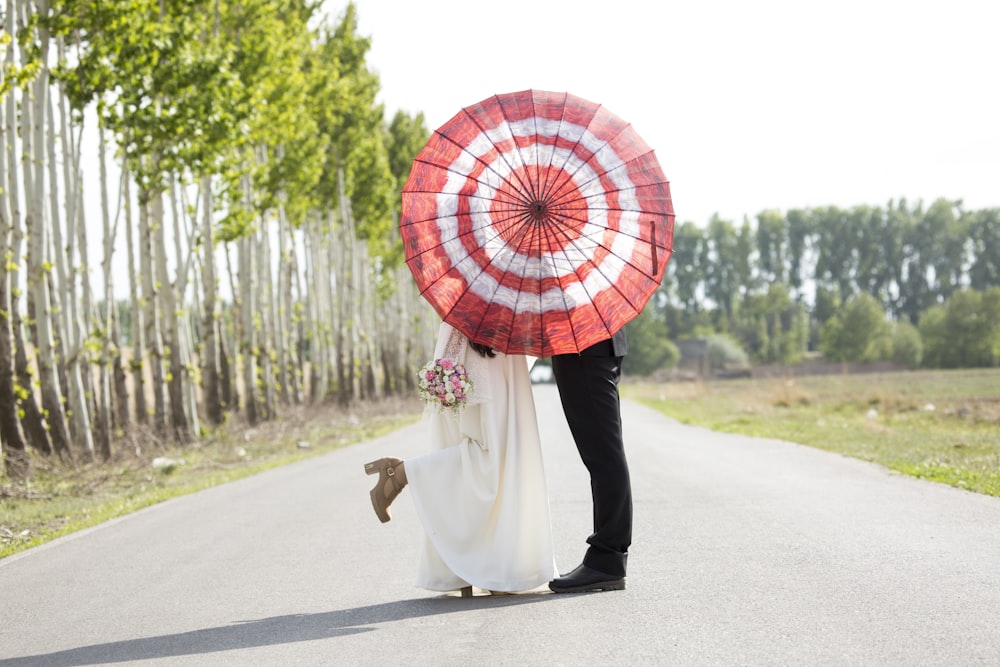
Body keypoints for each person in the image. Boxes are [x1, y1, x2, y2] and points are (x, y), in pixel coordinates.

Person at [364, 321, 557, 595]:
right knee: (491, 459)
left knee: (503, 463)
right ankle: (402, 473)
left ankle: (491, 566)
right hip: (478, 352)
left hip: (501, 351)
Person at [547, 329, 630, 593]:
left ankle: (607, 559)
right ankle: (607, 557)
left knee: (604, 455)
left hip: (584, 346)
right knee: (604, 453)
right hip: (592, 345)